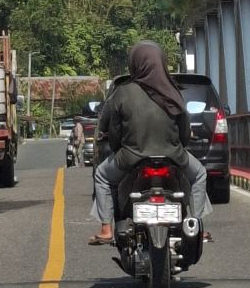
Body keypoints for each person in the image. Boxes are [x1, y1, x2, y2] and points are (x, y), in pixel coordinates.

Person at [88, 40, 209, 245]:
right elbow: (184, 134)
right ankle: (195, 224)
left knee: (101, 175)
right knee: (199, 174)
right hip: (172, 156)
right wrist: (177, 148)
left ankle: (106, 228)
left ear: (135, 64)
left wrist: (120, 150)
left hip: (131, 158)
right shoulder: (172, 91)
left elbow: (115, 134)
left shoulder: (123, 93)